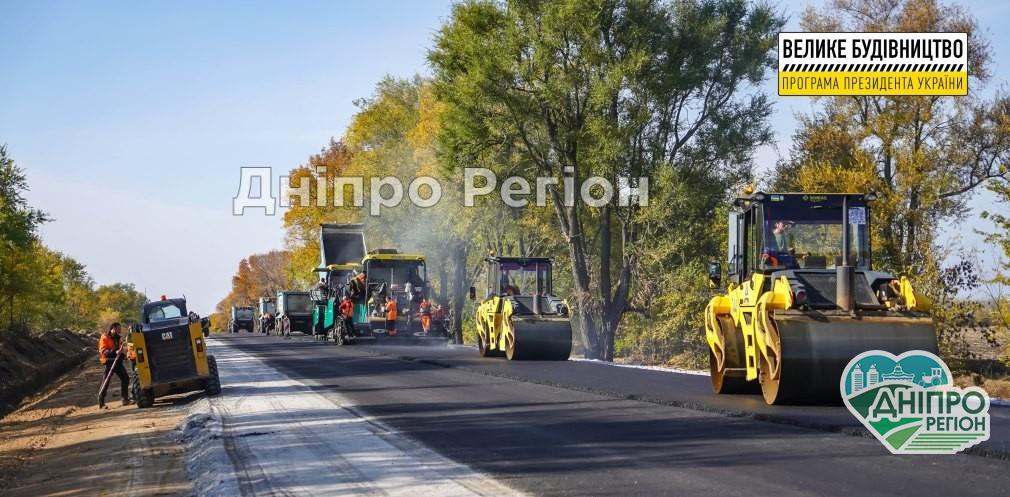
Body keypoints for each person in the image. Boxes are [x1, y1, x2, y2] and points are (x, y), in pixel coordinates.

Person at [98, 322, 131, 408]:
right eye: (118, 329)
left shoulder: (118, 338)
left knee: (125, 378)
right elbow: (103, 351)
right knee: (106, 381)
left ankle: (125, 399)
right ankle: (101, 402)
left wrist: (123, 355)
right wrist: (114, 352)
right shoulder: (104, 337)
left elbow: (120, 350)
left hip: (117, 362)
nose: (119, 331)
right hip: (109, 361)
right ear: (112, 328)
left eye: (120, 329)